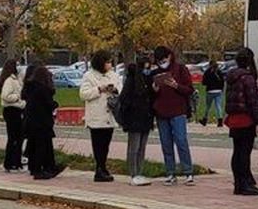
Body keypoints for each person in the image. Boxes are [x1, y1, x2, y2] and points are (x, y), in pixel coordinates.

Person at [150, 45, 197, 184]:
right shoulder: (156, 73)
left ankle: (188, 172)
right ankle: (170, 172)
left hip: (178, 111)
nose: (162, 62)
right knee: (166, 143)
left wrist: (176, 85)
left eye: (164, 59)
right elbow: (152, 95)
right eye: (159, 60)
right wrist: (155, 89)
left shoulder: (181, 69)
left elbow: (189, 89)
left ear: (170, 56)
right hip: (161, 112)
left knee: (181, 140)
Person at [224, 46, 258, 196]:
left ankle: (238, 183)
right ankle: (246, 184)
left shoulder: (231, 77)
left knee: (237, 152)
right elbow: (253, 102)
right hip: (246, 119)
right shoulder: (248, 78)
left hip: (234, 118)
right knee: (245, 153)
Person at [78, 50, 123, 183]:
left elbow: (121, 89)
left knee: (106, 143)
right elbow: (83, 94)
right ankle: (99, 168)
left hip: (109, 115)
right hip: (96, 115)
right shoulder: (89, 76)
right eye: (107, 62)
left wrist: (114, 90)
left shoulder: (114, 75)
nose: (110, 64)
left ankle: (103, 167)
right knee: (98, 144)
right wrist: (99, 89)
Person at [116, 54, 154, 186]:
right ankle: (133, 173)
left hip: (146, 117)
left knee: (142, 147)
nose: (147, 71)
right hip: (134, 118)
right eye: (146, 68)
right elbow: (124, 98)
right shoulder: (132, 80)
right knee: (134, 147)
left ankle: (140, 171)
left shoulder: (148, 80)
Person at [22, 60, 62, 180]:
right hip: (41, 122)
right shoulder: (42, 90)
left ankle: (36, 167)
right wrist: (55, 104)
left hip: (31, 120)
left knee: (35, 145)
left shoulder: (30, 87)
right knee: (42, 145)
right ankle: (40, 169)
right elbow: (49, 103)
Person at [0, 58, 26, 173]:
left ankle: (17, 161)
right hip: (11, 110)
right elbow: (5, 96)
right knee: (13, 138)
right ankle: (10, 163)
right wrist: (17, 97)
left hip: (18, 110)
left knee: (19, 138)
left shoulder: (17, 80)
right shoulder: (9, 81)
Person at [200, 58, 225, 126]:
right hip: (219, 91)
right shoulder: (219, 72)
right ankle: (220, 121)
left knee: (208, 106)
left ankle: (204, 120)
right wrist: (221, 88)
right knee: (218, 106)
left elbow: (204, 82)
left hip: (210, 91)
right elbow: (223, 81)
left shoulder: (207, 72)